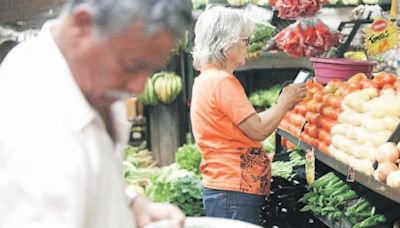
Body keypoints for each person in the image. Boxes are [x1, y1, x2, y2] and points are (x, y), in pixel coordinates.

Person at [0, 0, 192, 228]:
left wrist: (130, 203)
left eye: (150, 69)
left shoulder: (91, 85)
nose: (139, 87)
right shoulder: (34, 125)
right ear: (81, 25)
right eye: (131, 65)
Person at [190, 6, 307, 225]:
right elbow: (259, 129)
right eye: (245, 40)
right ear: (227, 43)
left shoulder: (207, 79)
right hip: (233, 190)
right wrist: (284, 103)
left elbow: (243, 126)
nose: (248, 46)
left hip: (227, 187)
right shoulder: (222, 82)